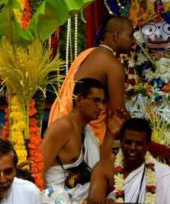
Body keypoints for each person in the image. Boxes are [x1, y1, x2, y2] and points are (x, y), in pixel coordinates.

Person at [41, 78, 122, 204]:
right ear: (79, 99)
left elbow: (100, 168)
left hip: (78, 198)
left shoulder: (87, 130)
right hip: (56, 200)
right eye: (96, 101)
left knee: (118, 193)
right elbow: (40, 168)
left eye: (102, 102)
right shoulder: (63, 126)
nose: (100, 107)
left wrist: (111, 133)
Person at [49, 15, 136, 143]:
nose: (134, 40)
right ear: (116, 36)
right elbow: (118, 112)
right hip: (83, 134)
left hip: (61, 121)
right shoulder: (113, 65)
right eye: (130, 35)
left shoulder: (88, 53)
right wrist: (139, 131)